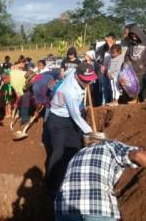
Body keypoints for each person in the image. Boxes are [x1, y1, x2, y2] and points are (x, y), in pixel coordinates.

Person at [55, 139, 146, 221]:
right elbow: (137, 155)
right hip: (96, 207)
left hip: (63, 210)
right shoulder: (110, 145)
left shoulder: (77, 154)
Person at [43, 62, 98, 196]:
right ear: (78, 76)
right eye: (86, 81)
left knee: (75, 148)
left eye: (89, 80)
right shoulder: (71, 91)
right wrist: (92, 133)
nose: (88, 83)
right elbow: (76, 116)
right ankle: (50, 184)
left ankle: (71, 178)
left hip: (69, 119)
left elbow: (66, 72)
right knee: (58, 152)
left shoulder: (73, 72)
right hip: (57, 120)